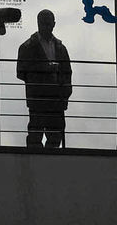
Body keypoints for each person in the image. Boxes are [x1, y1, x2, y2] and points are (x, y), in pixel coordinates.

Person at [16, 9, 72, 148]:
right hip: (39, 100)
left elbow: (67, 73)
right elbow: (21, 72)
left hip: (55, 101)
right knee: (36, 138)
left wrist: (65, 94)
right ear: (38, 24)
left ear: (54, 24)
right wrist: (44, 69)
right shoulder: (27, 47)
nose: (46, 27)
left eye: (48, 24)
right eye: (43, 24)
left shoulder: (60, 48)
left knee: (55, 138)